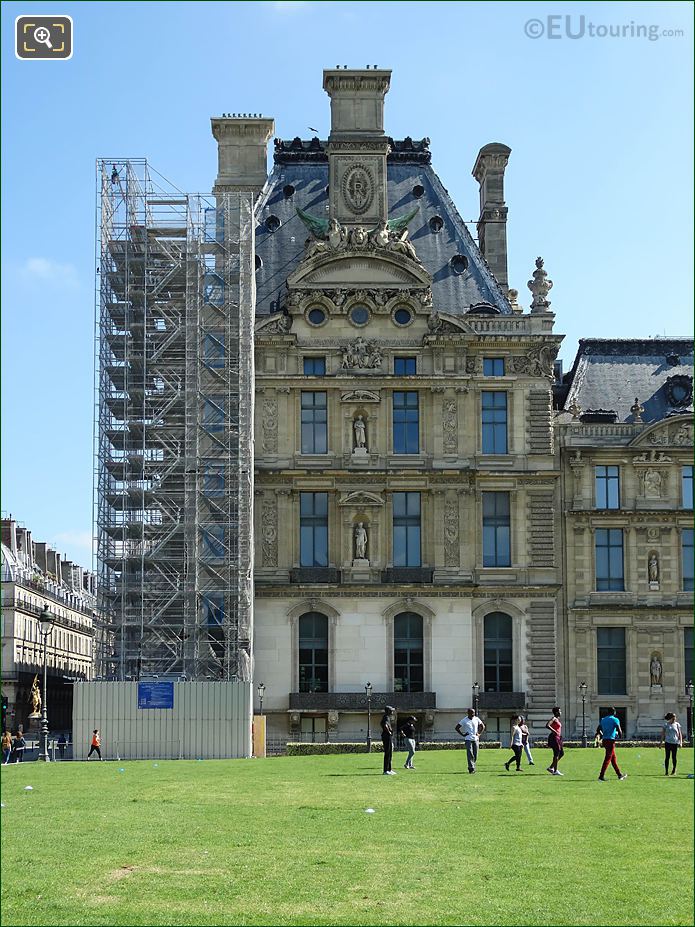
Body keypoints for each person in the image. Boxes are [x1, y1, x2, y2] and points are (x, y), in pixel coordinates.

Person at [595, 707, 627, 781]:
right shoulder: (615, 719)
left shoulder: (603, 720)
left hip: (605, 740)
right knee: (608, 758)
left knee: (613, 759)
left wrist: (602, 734)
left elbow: (598, 729)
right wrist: (620, 736)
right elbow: (619, 730)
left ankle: (619, 775)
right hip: (611, 740)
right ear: (614, 712)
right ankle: (601, 776)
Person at [455, 708, 486, 774]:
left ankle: (472, 766)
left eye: (473, 713)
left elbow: (482, 726)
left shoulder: (476, 719)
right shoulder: (464, 720)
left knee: (475, 754)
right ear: (468, 713)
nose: (473, 714)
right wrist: (463, 734)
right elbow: (457, 728)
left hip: (476, 739)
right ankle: (471, 768)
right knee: (470, 753)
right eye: (471, 713)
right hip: (468, 739)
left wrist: (479, 734)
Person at [545, 707, 564, 776]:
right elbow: (547, 725)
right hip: (554, 737)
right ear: (556, 712)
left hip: (558, 737)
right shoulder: (554, 719)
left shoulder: (557, 719)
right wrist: (554, 731)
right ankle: (555, 771)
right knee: (556, 753)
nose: (560, 712)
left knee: (561, 753)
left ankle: (551, 767)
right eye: (559, 711)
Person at [381, 707, 396, 775]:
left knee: (390, 753)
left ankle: (389, 769)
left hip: (388, 736)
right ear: (388, 711)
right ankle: (386, 770)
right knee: (387, 753)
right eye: (391, 710)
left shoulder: (387, 717)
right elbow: (384, 725)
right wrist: (389, 732)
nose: (392, 711)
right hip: (386, 736)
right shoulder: (386, 717)